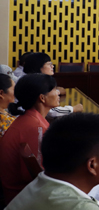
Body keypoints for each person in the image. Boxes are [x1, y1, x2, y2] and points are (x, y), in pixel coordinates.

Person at [0, 74, 59, 202]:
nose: (58, 93)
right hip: (21, 199)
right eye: (54, 89)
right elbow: (41, 175)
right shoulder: (35, 127)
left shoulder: (30, 119)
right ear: (42, 98)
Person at [24, 52, 83, 117]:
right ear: (38, 66)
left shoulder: (33, 80)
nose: (52, 66)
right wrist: (73, 109)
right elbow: (51, 112)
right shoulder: (35, 83)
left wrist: (57, 91)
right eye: (49, 64)